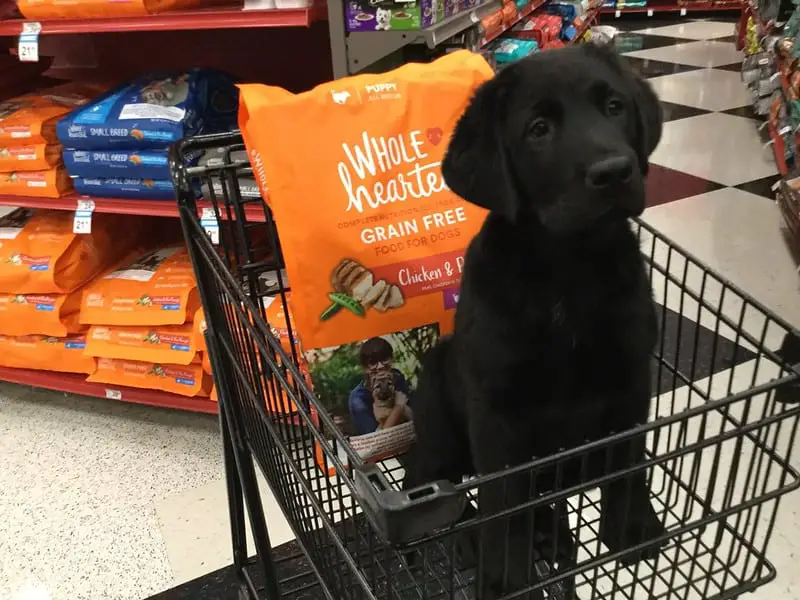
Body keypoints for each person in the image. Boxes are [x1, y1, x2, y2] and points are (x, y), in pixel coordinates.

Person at [348, 337, 411, 435]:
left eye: (385, 359)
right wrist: (398, 407)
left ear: (391, 360)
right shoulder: (358, 399)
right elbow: (377, 442)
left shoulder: (397, 377)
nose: (380, 366)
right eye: (373, 363)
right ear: (365, 368)